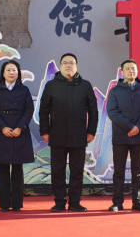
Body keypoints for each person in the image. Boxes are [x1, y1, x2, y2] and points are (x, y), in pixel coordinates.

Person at [39, 53, 98, 212]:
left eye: (71, 63)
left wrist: (91, 131)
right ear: (60, 66)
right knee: (57, 170)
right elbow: (43, 110)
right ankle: (59, 202)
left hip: (79, 135)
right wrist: (44, 131)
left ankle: (75, 202)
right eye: (65, 63)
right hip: (56, 134)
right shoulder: (51, 85)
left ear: (76, 66)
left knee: (77, 171)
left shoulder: (85, 85)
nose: (68, 65)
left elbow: (93, 111)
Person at [106, 59, 140, 212]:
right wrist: (130, 126)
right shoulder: (115, 91)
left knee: (137, 171)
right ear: (122, 71)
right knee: (119, 171)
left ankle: (137, 202)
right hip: (121, 136)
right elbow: (112, 112)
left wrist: (138, 127)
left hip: (139, 137)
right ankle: (117, 202)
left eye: (133, 68)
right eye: (127, 69)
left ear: (137, 71)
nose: (131, 71)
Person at [0, 60, 35, 212]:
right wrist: (2, 127)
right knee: (4, 168)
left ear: (18, 73)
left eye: (14, 70)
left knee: (18, 168)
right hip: (2, 131)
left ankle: (17, 203)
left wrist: (20, 127)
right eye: (8, 70)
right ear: (3, 73)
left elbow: (29, 110)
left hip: (20, 130)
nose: (11, 73)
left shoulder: (24, 90)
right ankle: (4, 204)